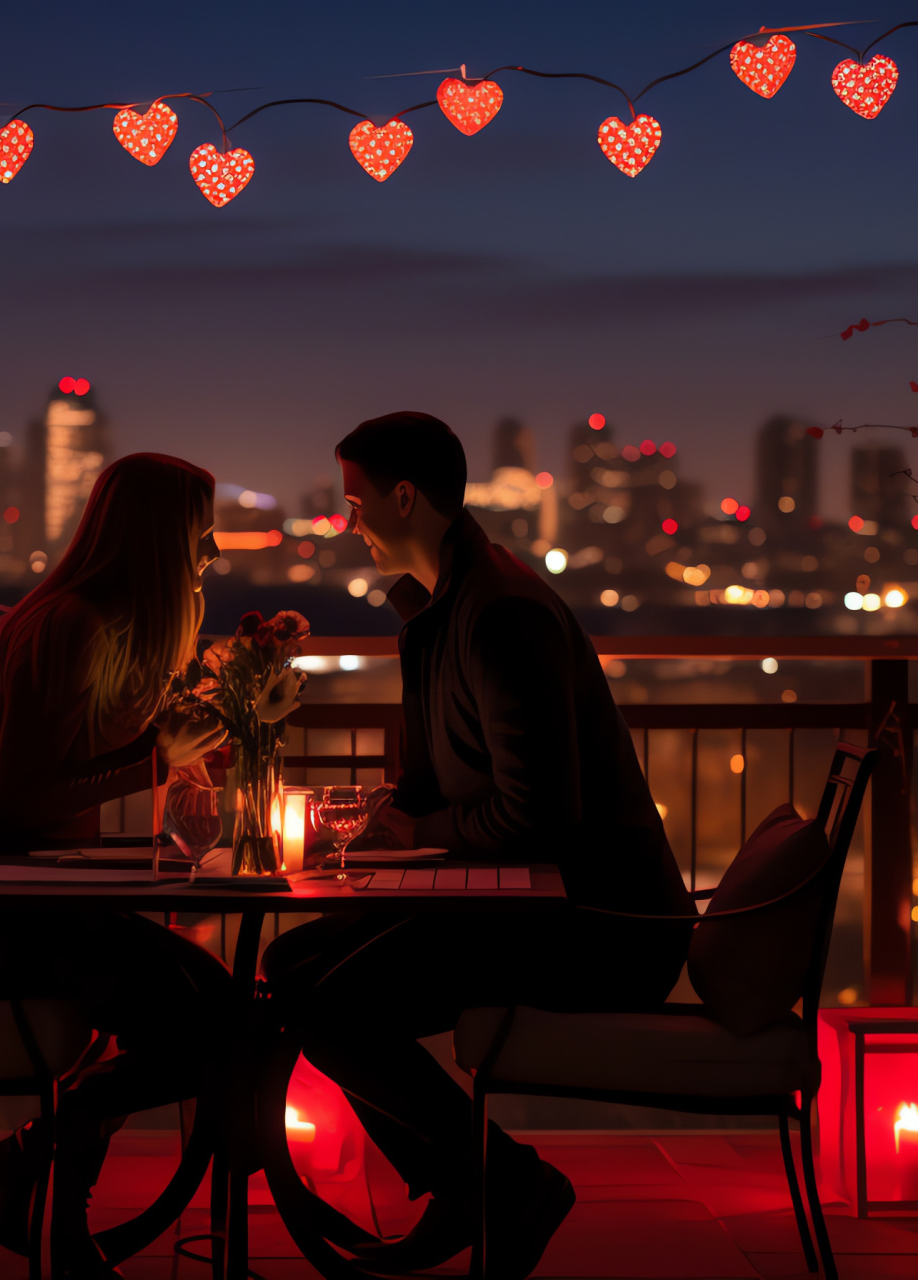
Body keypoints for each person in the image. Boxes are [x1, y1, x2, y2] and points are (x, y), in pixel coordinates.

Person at [261, 412, 695, 1279]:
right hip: (525, 902)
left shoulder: (502, 616)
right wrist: (384, 825)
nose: (347, 524)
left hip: (598, 925)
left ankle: (498, 1182)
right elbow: (436, 783)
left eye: (356, 503)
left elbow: (541, 816)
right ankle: (473, 1182)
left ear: (406, 498)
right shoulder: (443, 609)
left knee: (324, 1003)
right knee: (294, 968)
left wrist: (418, 834)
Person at [0, 452, 232, 1276]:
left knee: (217, 1008)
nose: (212, 554)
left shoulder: (98, 623)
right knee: (211, 1022)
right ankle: (53, 1172)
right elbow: (24, 800)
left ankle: (46, 1165)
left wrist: (163, 751)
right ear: (161, 539)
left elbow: (69, 779)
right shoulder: (74, 626)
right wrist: (155, 760)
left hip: (35, 898)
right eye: (201, 536)